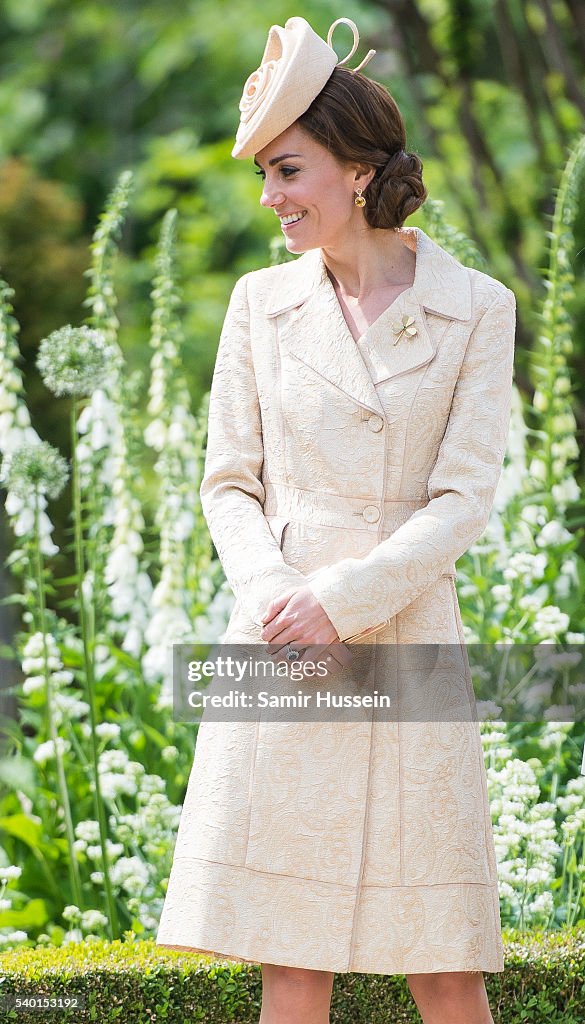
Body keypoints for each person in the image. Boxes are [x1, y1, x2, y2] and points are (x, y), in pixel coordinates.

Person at [156, 16, 517, 1024]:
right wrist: (280, 593)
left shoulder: (477, 308)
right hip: (281, 646)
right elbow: (229, 482)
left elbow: (463, 498)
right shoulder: (257, 304)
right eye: (266, 177)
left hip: (405, 635)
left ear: (358, 169)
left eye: (288, 171)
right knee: (291, 962)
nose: (270, 199)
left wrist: (342, 600)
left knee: (446, 965)